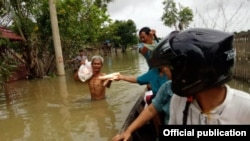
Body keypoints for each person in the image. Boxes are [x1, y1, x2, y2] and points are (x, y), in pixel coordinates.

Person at [148, 28, 250, 125]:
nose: (165, 70)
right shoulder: (177, 101)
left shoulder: (246, 107)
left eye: (170, 66)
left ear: (191, 71)